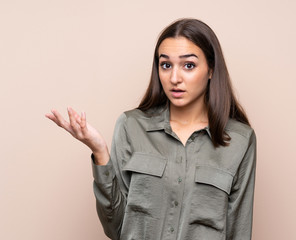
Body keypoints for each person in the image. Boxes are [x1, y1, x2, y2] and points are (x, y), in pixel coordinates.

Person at [46, 18, 256, 240]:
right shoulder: (131, 126)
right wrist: (99, 152)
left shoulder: (240, 140)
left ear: (211, 69)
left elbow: (239, 230)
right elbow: (115, 228)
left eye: (189, 65)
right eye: (166, 65)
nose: (174, 78)